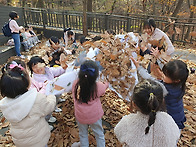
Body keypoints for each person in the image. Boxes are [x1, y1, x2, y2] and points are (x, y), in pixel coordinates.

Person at [0, 60, 56, 147]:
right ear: (26, 83)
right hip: (37, 137)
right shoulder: (36, 99)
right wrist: (51, 94)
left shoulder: (4, 104)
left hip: (20, 140)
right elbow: (50, 106)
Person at [114, 79, 180, 147]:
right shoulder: (168, 120)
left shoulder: (127, 122)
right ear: (161, 102)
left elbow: (118, 132)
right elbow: (176, 135)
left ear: (134, 104)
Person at [131, 57, 189, 131]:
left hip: (171, 120)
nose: (162, 75)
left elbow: (149, 78)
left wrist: (139, 67)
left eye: (165, 75)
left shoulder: (165, 89)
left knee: (170, 137)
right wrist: (157, 58)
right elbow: (169, 72)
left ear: (176, 80)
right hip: (178, 116)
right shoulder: (180, 84)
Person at [72, 60, 109, 147]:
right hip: (94, 116)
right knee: (99, 134)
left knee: (83, 134)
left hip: (80, 115)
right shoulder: (98, 86)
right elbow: (105, 86)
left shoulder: (75, 84)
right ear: (96, 75)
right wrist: (106, 82)